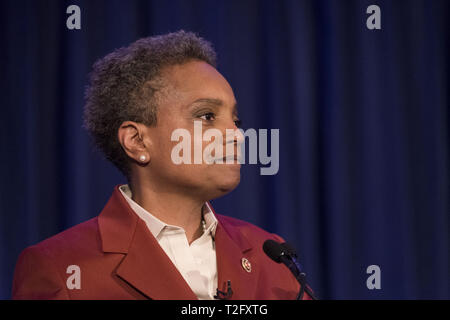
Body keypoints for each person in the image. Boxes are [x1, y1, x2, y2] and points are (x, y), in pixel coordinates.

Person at [12, 31, 310, 300]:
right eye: (206, 116)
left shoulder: (270, 254)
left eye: (235, 120)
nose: (236, 135)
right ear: (137, 141)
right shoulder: (59, 267)